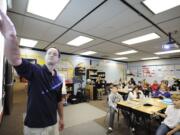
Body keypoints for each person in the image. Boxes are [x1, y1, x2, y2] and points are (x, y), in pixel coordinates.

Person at [0, 10, 64, 135]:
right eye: (49, 53)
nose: (51, 55)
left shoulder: (59, 79)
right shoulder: (35, 70)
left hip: (53, 123)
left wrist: (61, 118)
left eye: (55, 54)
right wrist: (10, 37)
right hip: (34, 126)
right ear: (45, 57)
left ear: (58, 59)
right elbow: (15, 59)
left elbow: (59, 101)